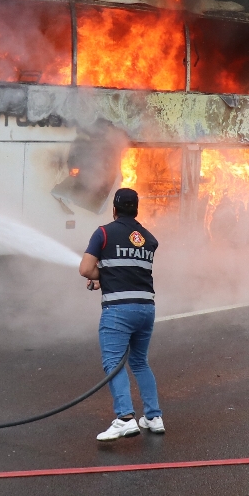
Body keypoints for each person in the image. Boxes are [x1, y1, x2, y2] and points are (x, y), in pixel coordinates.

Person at [79, 187, 164, 441]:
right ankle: (153, 417)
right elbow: (130, 271)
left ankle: (125, 418)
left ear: (114, 209)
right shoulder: (149, 238)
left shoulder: (104, 232)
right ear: (136, 209)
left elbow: (85, 269)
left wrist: (99, 276)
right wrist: (106, 277)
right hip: (146, 308)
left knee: (113, 362)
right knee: (139, 362)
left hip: (118, 310)